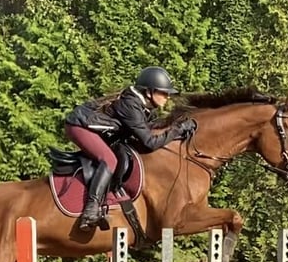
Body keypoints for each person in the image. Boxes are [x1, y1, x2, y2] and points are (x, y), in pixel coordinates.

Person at [64, 66, 197, 231]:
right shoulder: (130, 105)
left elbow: (147, 129)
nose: (167, 96)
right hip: (79, 126)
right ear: (149, 92)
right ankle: (91, 211)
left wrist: (175, 127)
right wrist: (178, 130)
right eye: (163, 92)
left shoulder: (143, 105)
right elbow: (150, 142)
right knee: (109, 159)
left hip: (96, 128)